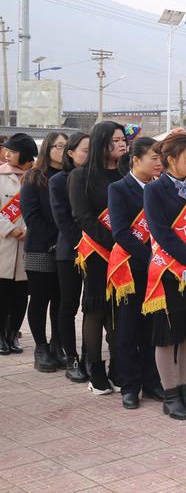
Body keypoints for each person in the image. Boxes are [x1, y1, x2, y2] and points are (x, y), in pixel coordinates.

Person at [142, 132, 186, 419]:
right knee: (167, 337)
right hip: (169, 272)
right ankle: (170, 394)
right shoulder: (154, 190)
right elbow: (161, 234)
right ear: (170, 159)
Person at [107, 136, 164, 409]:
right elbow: (121, 233)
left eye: (160, 157)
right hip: (131, 269)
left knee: (154, 329)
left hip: (159, 270)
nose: (159, 163)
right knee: (128, 329)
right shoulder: (119, 188)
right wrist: (151, 258)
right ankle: (130, 386)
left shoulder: (162, 188)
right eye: (154, 157)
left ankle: (153, 382)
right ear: (136, 159)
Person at [70, 122, 127, 394]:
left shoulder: (126, 174)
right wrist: (115, 242)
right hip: (96, 252)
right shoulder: (81, 176)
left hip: (125, 253)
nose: (121, 144)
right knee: (96, 309)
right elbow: (83, 217)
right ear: (102, 143)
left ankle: (118, 366)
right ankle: (95, 370)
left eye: (122, 139)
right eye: (115, 140)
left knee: (120, 310)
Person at [21, 132, 67, 372]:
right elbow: (31, 216)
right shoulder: (33, 177)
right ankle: (41, 348)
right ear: (48, 148)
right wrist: (54, 239)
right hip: (40, 248)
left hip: (66, 249)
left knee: (62, 300)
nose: (62, 150)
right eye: (59, 146)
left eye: (66, 146)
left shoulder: (72, 176)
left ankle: (58, 343)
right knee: (40, 299)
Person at [49, 132, 90, 381]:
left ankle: (89, 356)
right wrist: (83, 245)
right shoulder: (58, 181)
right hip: (70, 252)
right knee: (69, 305)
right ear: (71, 153)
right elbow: (62, 219)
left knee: (93, 307)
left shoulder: (97, 178)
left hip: (99, 251)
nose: (88, 154)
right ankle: (71, 358)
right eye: (84, 149)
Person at [0, 133, 37, 356]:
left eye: (12, 151)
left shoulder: (34, 177)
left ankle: (13, 334)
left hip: (28, 245)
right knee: (2, 294)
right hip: (4, 245)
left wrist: (30, 232)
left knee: (21, 295)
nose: (7, 154)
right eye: (7, 150)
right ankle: (1, 336)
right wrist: (11, 230)